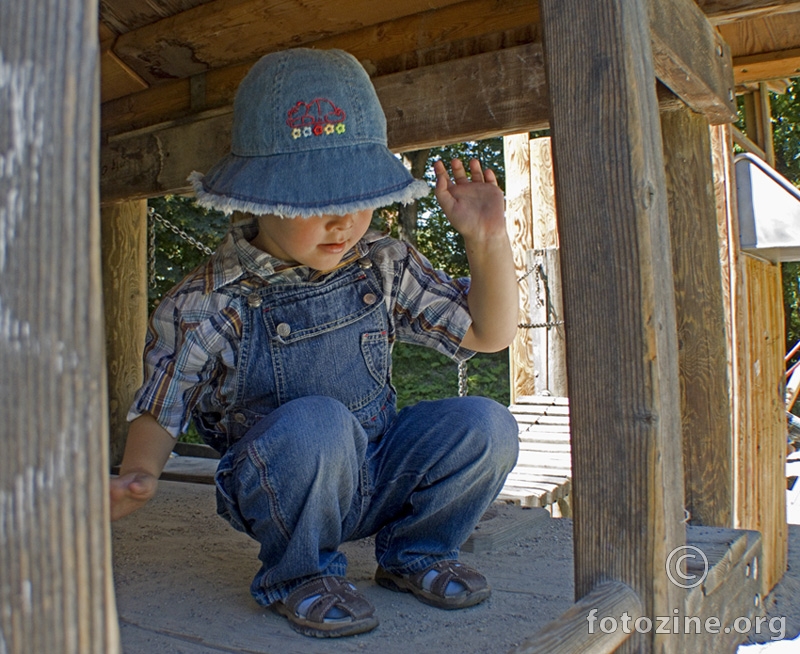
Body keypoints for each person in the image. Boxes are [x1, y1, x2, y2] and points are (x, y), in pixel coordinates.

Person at [110, 47, 520, 638]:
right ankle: (298, 574)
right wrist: (139, 474)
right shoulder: (209, 299)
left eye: (358, 198)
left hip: (377, 470)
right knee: (318, 425)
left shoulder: (381, 261)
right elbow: (162, 401)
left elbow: (489, 332)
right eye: (317, 202)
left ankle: (416, 552)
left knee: (487, 424)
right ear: (258, 196)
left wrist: (486, 240)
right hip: (284, 487)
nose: (344, 222)